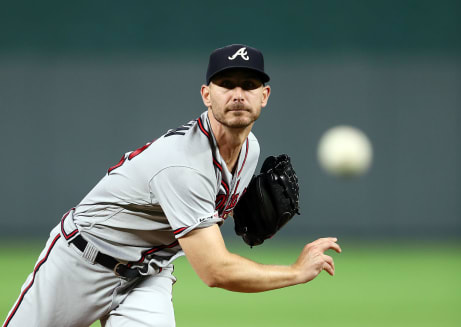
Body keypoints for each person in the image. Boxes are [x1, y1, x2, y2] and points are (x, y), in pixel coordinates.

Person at [3, 44, 341, 327]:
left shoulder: (249, 148)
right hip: (80, 264)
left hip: (147, 275)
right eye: (227, 83)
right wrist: (295, 272)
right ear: (207, 95)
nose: (238, 94)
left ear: (264, 96)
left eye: (249, 85)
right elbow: (214, 271)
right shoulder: (183, 165)